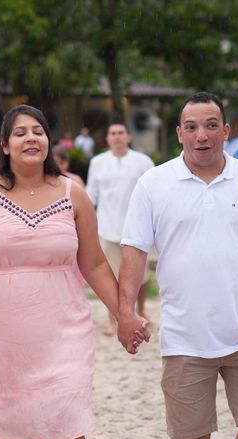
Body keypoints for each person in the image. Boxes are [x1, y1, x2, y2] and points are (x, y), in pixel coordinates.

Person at [0, 104, 148, 439]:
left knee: (68, 419)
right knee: (14, 430)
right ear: (4, 145)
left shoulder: (74, 193)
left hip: (63, 329)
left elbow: (96, 264)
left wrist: (125, 313)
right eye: (20, 133)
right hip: (0, 332)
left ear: (49, 141)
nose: (30, 138)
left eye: (38, 131)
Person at [118, 92, 238, 439]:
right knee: (193, 434)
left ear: (226, 131)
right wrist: (125, 312)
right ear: (179, 134)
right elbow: (133, 253)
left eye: (211, 125)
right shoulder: (153, 184)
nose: (202, 135)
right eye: (192, 127)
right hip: (184, 335)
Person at [86, 122, 154, 334]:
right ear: (107, 138)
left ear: (128, 136)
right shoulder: (97, 162)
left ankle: (140, 310)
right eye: (112, 133)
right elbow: (91, 196)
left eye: (120, 133)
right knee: (111, 276)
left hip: (137, 227)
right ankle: (113, 318)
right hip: (106, 226)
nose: (116, 137)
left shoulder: (143, 161)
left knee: (140, 275)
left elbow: (154, 192)